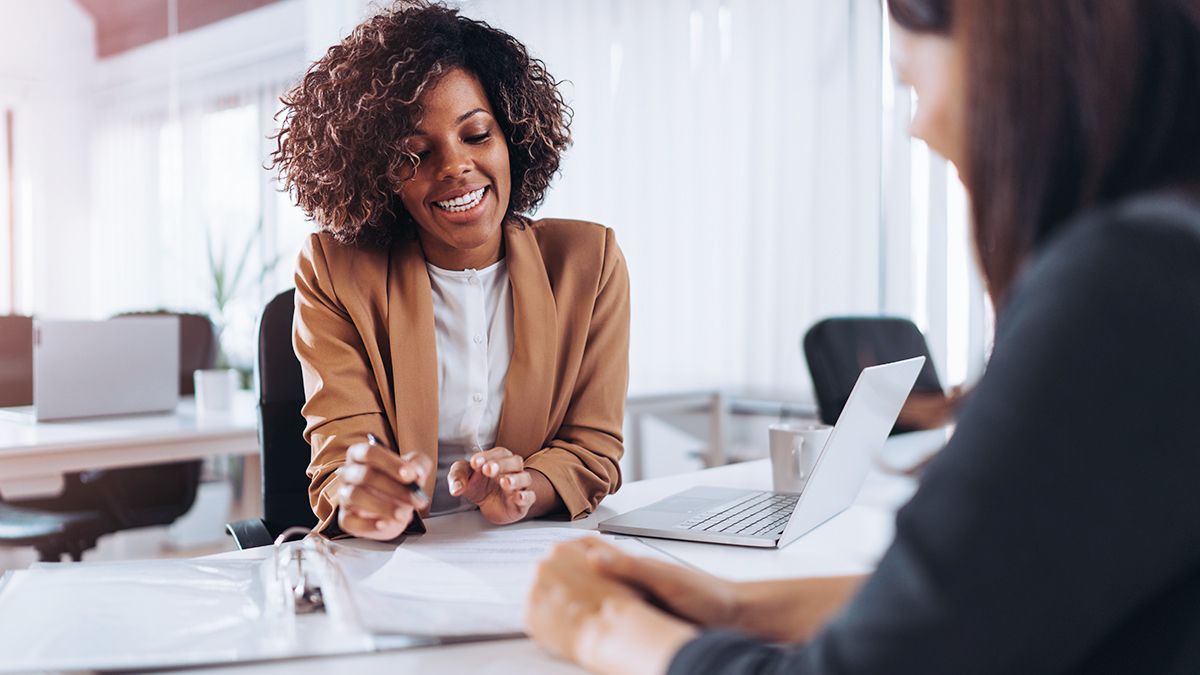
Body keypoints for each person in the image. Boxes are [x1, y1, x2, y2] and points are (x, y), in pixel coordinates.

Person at [525, 0, 1200, 672]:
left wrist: (601, 625)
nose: (920, 125)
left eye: (911, 82)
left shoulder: (1121, 288)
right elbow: (980, 607)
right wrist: (734, 605)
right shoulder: (1165, 261)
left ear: (1014, 58)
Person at [270, 1, 629, 540]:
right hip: (392, 565)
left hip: (528, 554)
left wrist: (527, 489)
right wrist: (363, 495)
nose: (455, 167)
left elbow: (591, 448)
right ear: (378, 176)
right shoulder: (334, 270)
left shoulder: (588, 262)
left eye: (477, 134)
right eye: (415, 154)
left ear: (512, 136)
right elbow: (341, 457)